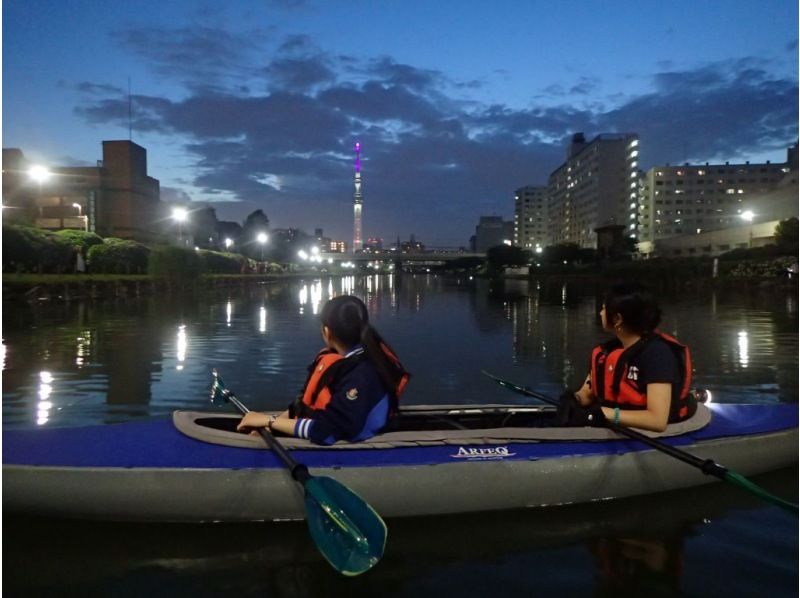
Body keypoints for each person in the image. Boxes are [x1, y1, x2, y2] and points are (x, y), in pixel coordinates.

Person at [237, 295, 409, 445]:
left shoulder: (362, 373)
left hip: (348, 438)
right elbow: (304, 405)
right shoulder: (348, 361)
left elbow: (326, 432)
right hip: (327, 424)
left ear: (327, 332)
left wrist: (268, 420)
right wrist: (270, 426)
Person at [558, 282, 696, 432]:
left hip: (650, 433)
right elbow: (587, 394)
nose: (600, 313)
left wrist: (607, 414)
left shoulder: (657, 355)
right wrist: (574, 399)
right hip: (608, 422)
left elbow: (657, 420)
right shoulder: (607, 352)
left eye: (604, 309)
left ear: (617, 319)